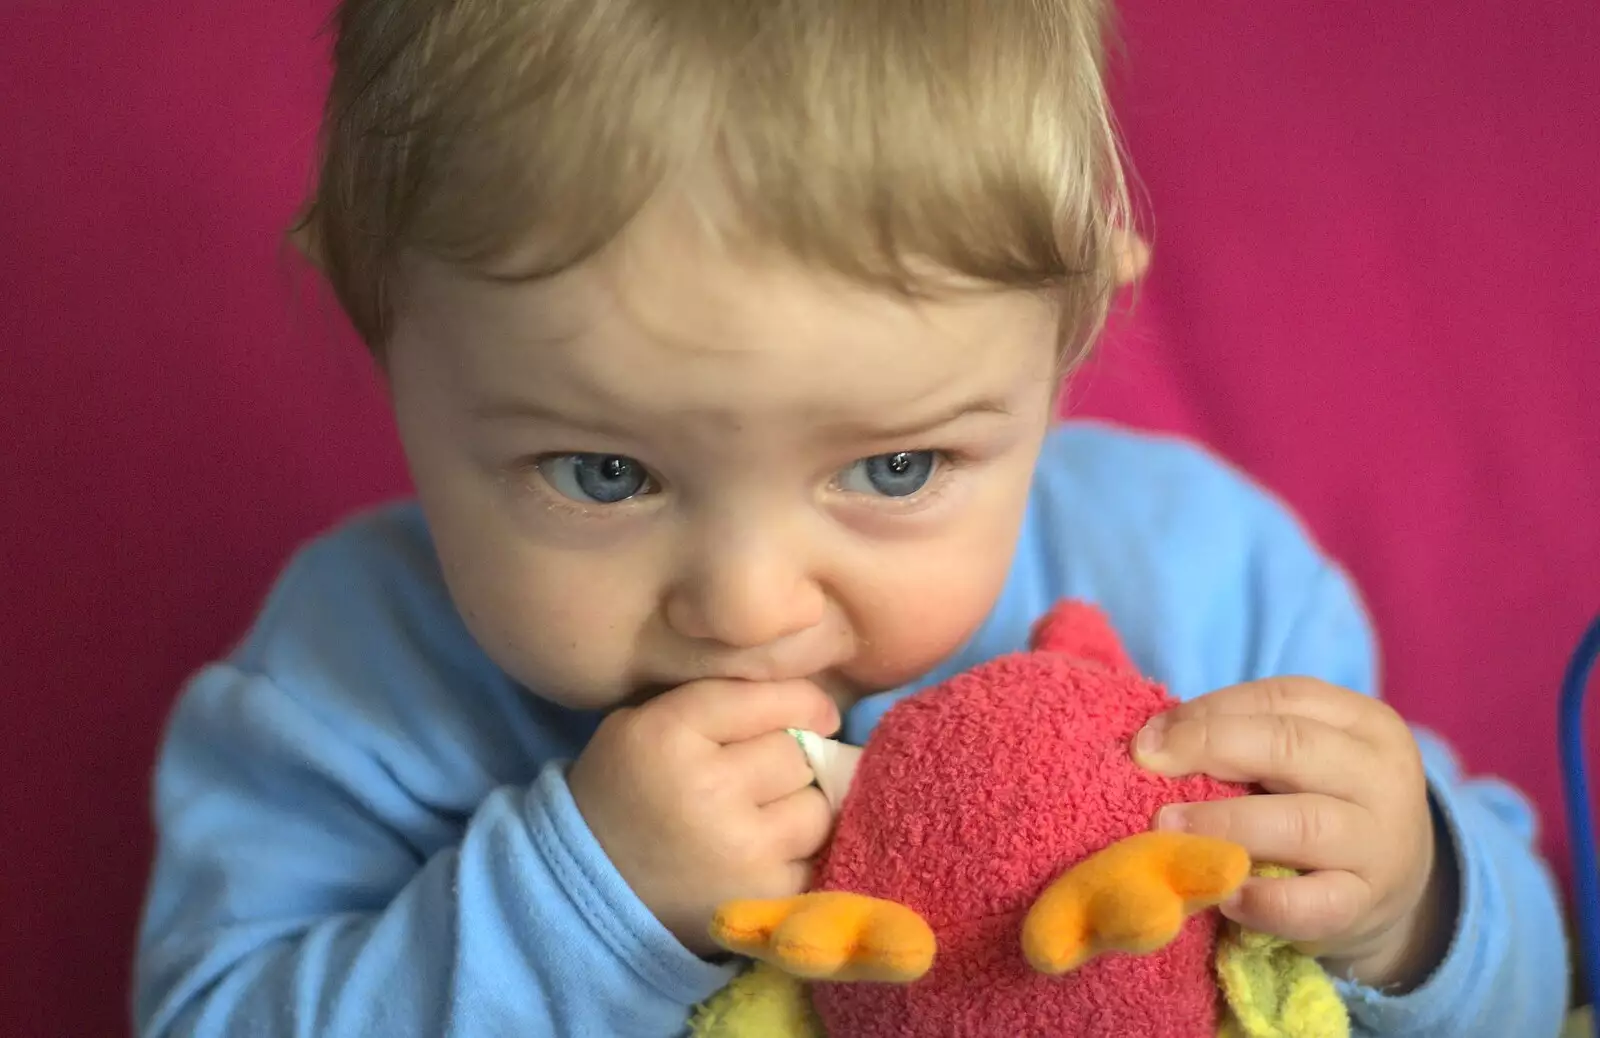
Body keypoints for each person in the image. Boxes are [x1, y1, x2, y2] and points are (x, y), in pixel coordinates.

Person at [133, 1, 1568, 1035]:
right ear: (383, 337)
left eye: (893, 469)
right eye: (602, 473)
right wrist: (585, 903)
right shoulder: (351, 677)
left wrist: (1416, 909)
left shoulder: (1210, 581)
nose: (750, 602)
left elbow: (1519, 995)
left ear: (1063, 343)